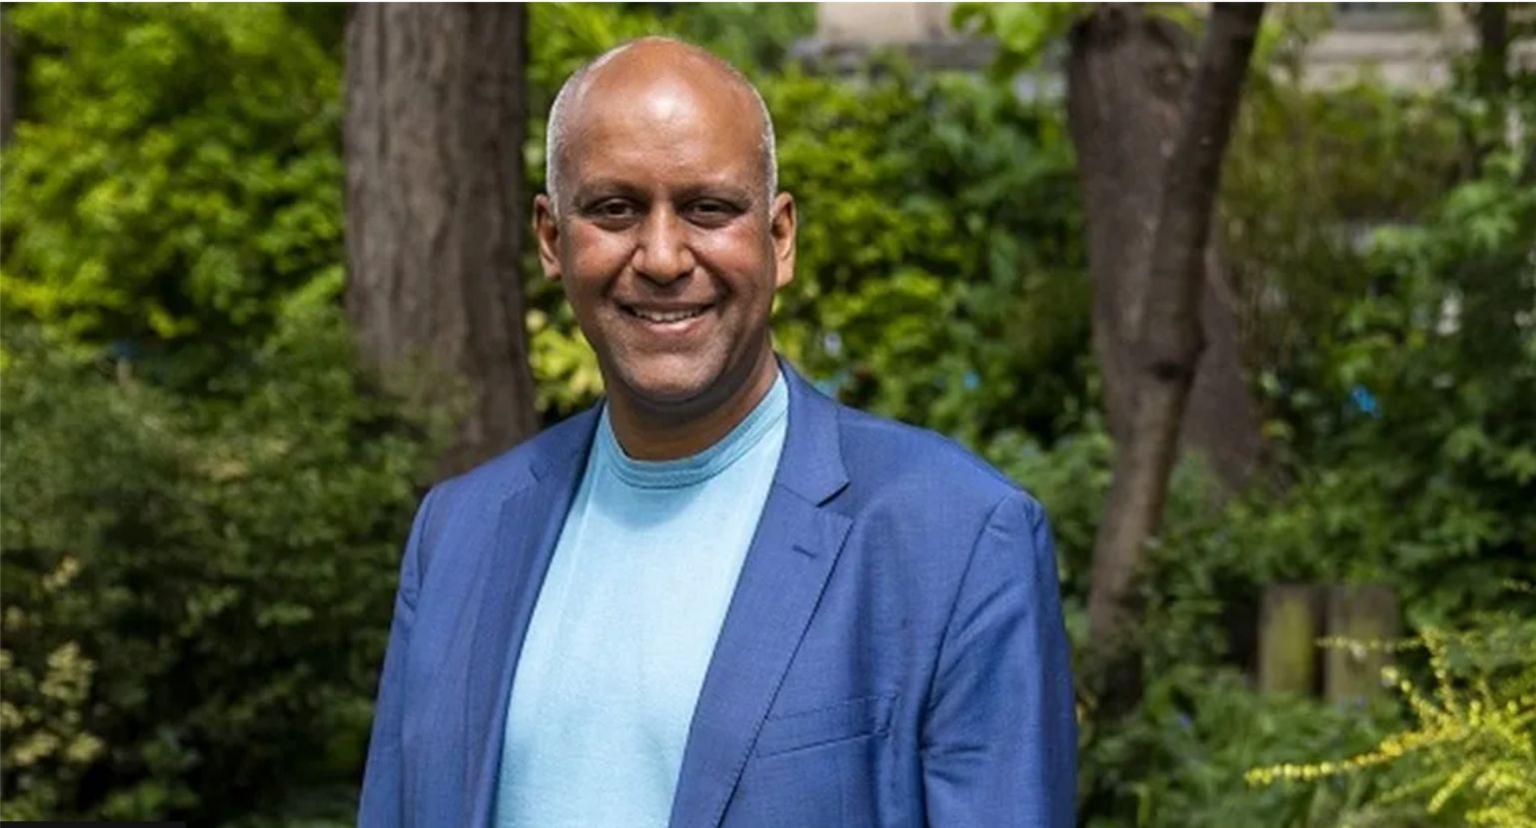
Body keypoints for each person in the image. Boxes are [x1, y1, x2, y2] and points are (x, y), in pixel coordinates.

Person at [358, 36, 1076, 828]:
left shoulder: (956, 538)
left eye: (707, 209)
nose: (663, 257)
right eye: (615, 209)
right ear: (553, 240)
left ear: (780, 239)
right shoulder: (457, 535)